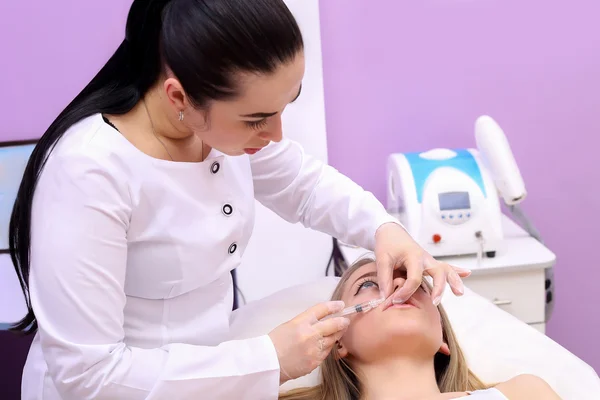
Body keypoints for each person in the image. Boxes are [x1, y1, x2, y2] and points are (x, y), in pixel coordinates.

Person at [10, 1, 469, 399]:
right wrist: (271, 359)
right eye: (256, 119)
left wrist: (384, 229)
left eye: (288, 104)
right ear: (179, 97)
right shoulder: (90, 173)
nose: (275, 135)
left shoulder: (217, 133)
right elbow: (88, 376)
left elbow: (306, 186)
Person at [280, 256, 562, 400]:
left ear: (441, 334)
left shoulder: (522, 394)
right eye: (368, 284)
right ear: (338, 342)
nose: (401, 286)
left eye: (418, 285)